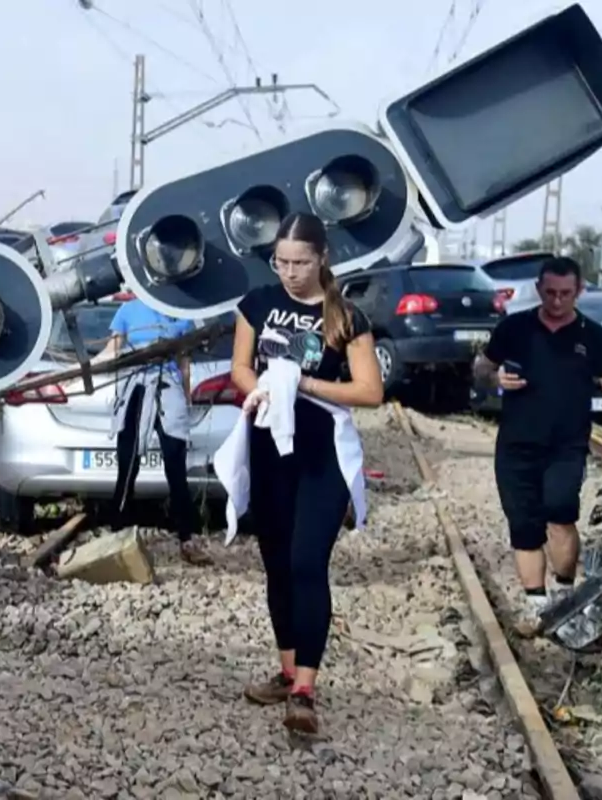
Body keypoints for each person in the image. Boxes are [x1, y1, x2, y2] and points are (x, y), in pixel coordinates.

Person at [229, 212, 383, 733]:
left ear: (322, 258)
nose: (290, 273)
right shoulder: (258, 304)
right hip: (270, 445)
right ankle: (287, 667)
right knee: (275, 561)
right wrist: (260, 389)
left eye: (300, 263)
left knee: (306, 562)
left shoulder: (347, 317)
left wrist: (306, 386)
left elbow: (369, 391)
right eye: (282, 262)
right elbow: (240, 366)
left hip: (322, 453)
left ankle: (306, 690)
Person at [474, 256, 602, 636]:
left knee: (560, 512)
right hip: (516, 445)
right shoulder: (515, 328)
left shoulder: (592, 336)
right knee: (524, 525)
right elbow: (481, 365)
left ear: (579, 291)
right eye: (550, 293)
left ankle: (564, 592)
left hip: (566, 445)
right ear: (539, 289)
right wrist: (497, 377)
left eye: (566, 294)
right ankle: (537, 606)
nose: (557, 301)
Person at [94, 296, 213, 566]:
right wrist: (83, 369)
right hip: (136, 388)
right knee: (128, 463)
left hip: (167, 388)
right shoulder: (129, 310)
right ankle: (117, 533)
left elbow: (183, 360)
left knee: (175, 465)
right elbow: (113, 350)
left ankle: (187, 538)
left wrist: (185, 396)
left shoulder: (181, 310)